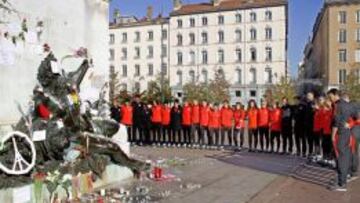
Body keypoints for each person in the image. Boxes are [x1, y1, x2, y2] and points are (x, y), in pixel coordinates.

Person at [327, 88, 357, 191]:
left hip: (339, 135)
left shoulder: (337, 105)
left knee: (340, 158)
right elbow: (358, 118)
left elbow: (336, 121)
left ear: (335, 95)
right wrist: (351, 124)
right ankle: (344, 178)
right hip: (347, 134)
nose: (329, 99)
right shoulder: (349, 105)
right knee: (345, 157)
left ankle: (341, 184)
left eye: (330, 96)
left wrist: (332, 136)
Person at [304, 92, 316, 156]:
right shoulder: (307, 104)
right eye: (307, 95)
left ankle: (313, 153)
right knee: (308, 139)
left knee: (313, 139)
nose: (308, 96)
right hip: (307, 124)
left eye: (309, 96)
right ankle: (310, 152)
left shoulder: (314, 103)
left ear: (312, 96)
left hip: (312, 124)